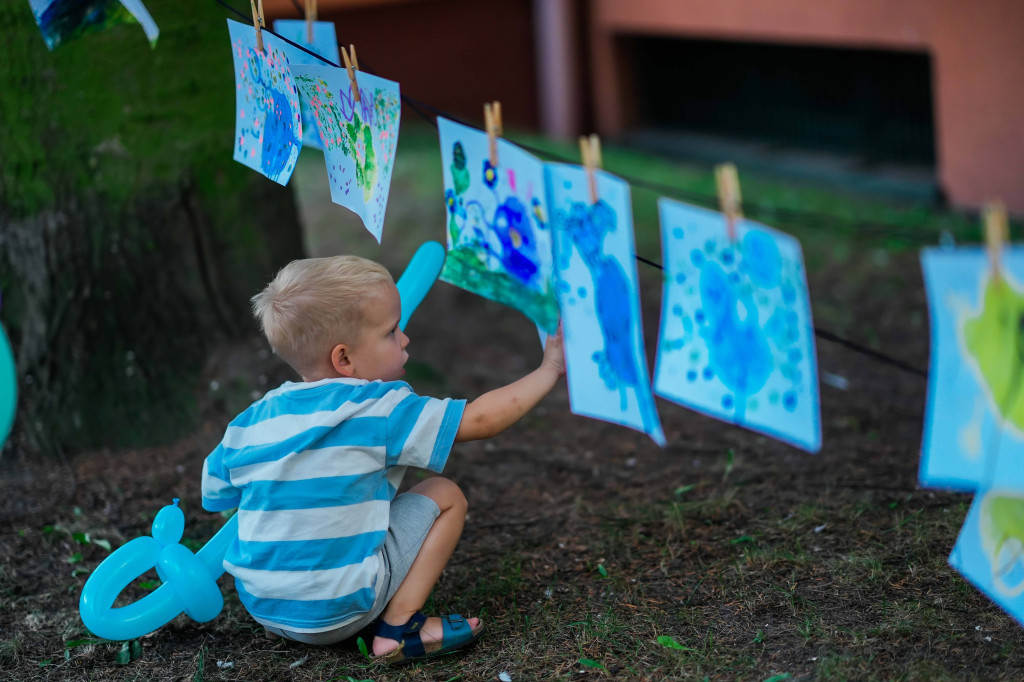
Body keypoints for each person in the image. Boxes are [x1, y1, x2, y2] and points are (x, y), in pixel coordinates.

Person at [200, 255, 564, 665]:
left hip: (264, 606)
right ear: (344, 360)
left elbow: (215, 494)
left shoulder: (251, 421)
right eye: (391, 332)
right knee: (445, 494)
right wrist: (549, 369)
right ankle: (398, 629)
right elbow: (480, 419)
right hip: (338, 612)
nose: (405, 339)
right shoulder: (378, 408)